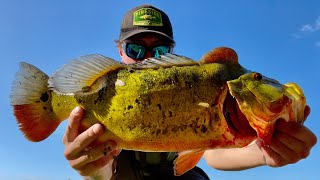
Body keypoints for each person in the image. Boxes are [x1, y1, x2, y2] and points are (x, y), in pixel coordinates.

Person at [62, 4, 317, 180]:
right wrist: (91, 168)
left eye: (160, 52)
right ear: (120, 51)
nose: (148, 58)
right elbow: (105, 172)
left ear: (171, 52)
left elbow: (213, 154)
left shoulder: (197, 88)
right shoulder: (100, 93)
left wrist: (262, 153)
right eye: (135, 50)